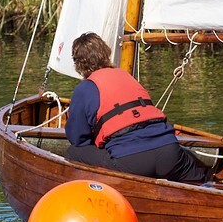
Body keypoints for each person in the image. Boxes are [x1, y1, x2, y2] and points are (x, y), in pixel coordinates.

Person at [64, 32, 209, 182]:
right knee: (200, 182)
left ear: (78, 64)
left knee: (73, 153)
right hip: (169, 151)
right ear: (106, 53)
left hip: (131, 162)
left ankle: (96, 195)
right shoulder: (125, 76)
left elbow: (78, 139)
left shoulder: (84, 89)